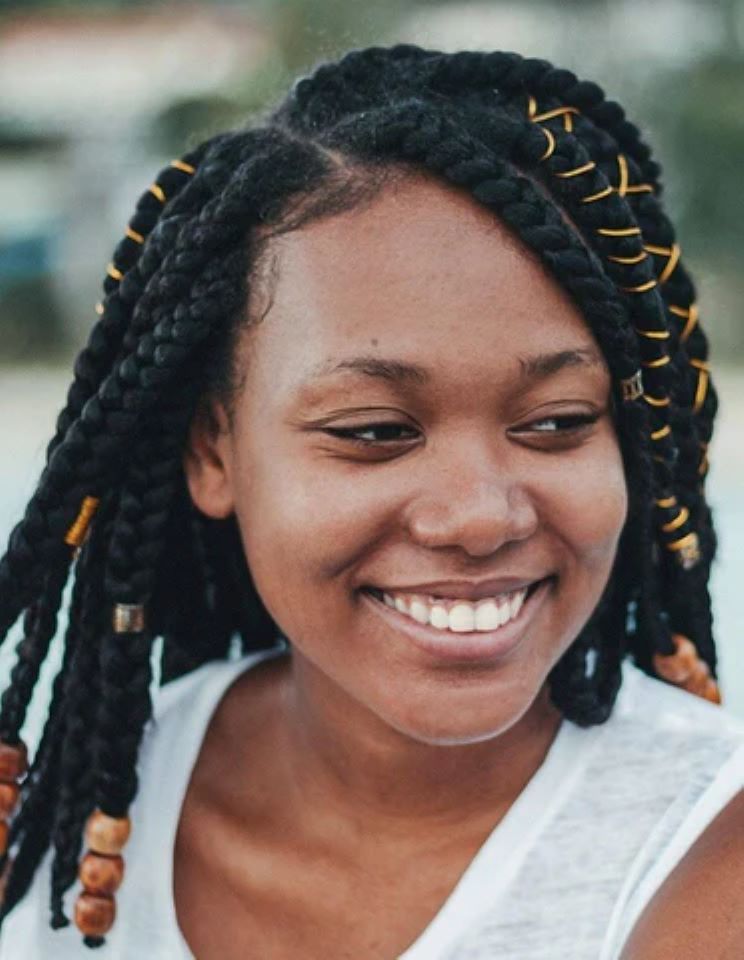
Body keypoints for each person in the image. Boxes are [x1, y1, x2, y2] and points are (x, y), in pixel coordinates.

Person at [0, 43, 740, 959]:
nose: (479, 517)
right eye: (376, 432)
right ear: (212, 449)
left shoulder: (707, 860)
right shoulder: (74, 809)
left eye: (555, 422)